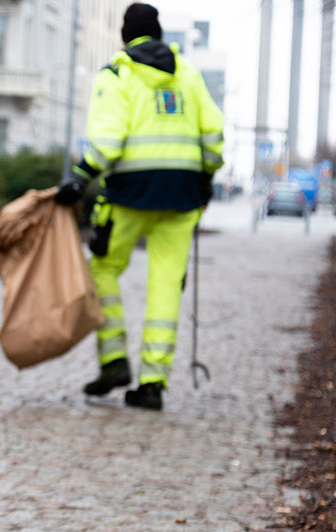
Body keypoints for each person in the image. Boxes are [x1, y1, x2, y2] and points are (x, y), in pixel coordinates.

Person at [56, 3, 224, 411]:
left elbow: (109, 140)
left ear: (124, 35)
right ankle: (152, 385)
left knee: (103, 268)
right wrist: (206, 179)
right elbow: (213, 136)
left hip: (129, 193)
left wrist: (81, 176)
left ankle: (114, 359)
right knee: (166, 284)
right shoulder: (188, 74)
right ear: (160, 33)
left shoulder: (117, 73)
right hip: (182, 195)